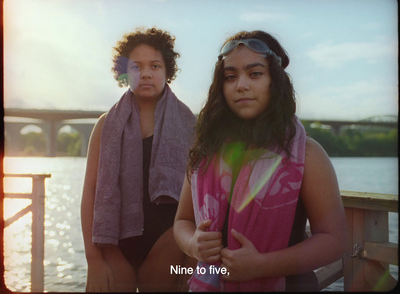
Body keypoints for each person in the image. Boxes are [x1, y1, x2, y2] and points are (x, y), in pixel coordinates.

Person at [173, 30, 347, 292]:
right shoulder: (206, 152)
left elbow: (335, 241)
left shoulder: (307, 155)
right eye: (230, 76)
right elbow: (182, 222)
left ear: (274, 81)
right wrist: (192, 244)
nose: (241, 84)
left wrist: (262, 265)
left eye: (255, 73)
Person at [81, 27, 197, 292]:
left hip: (170, 242)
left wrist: (190, 259)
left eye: (155, 66)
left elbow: (202, 197)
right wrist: (93, 259)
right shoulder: (105, 126)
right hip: (113, 244)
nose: (146, 73)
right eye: (136, 67)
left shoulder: (189, 125)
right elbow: (90, 191)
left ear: (168, 71)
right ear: (124, 74)